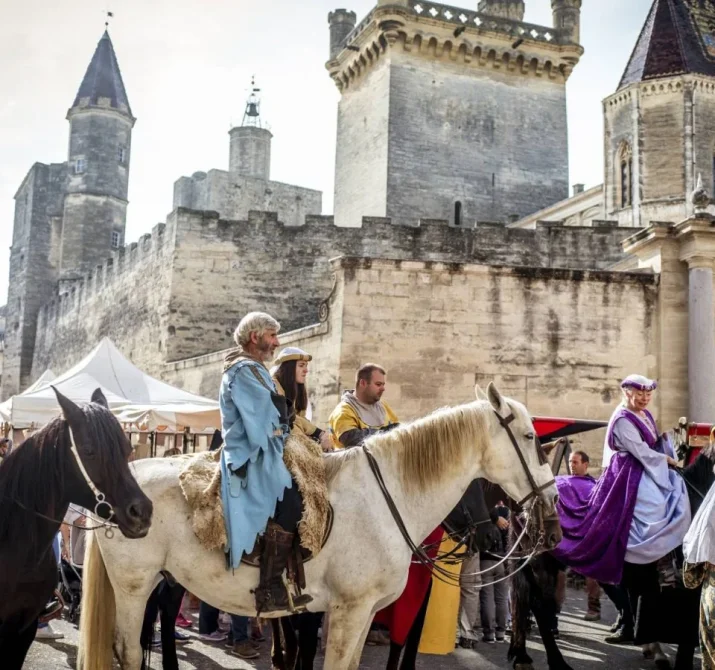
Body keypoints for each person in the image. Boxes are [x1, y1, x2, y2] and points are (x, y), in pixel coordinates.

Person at [553, 374, 691, 645]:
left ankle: (663, 559)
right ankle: (648, 548)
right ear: (627, 393)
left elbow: (651, 445)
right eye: (639, 394)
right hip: (629, 474)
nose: (644, 399)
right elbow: (641, 452)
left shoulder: (645, 415)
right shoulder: (622, 421)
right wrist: (666, 459)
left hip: (644, 466)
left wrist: (666, 447)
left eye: (648, 394)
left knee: (671, 490)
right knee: (652, 504)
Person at [219, 312, 311, 615]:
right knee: (291, 501)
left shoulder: (255, 370)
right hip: (251, 454)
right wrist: (282, 425)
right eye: (272, 335)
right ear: (255, 337)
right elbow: (265, 421)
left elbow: (280, 412)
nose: (277, 342)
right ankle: (269, 587)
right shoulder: (243, 370)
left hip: (266, 448)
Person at [270, 347, 332, 452]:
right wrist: (318, 433)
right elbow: (290, 418)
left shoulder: (297, 390)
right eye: (301, 365)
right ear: (288, 368)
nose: (306, 370)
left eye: (306, 366)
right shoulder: (273, 386)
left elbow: (301, 420)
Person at [328, 364, 399, 449]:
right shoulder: (343, 411)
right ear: (363, 383)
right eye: (378, 384)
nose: (383, 388)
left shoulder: (383, 406)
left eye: (383, 384)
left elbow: (398, 431)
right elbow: (352, 440)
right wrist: (387, 432)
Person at [480, 502, 509, 643]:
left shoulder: (484, 514)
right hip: (500, 561)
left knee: (487, 597)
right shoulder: (505, 512)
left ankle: (489, 633)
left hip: (485, 560)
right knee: (501, 598)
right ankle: (501, 632)